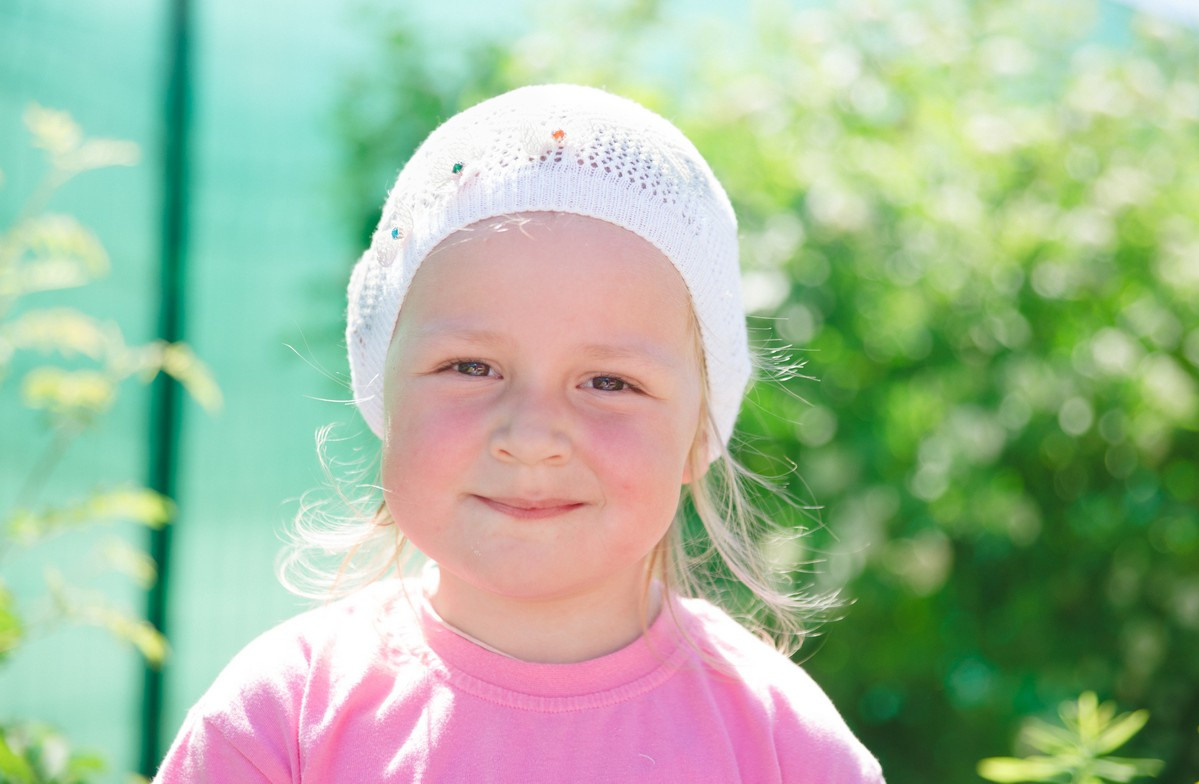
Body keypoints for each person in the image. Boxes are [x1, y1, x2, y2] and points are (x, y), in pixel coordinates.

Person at [154, 84, 885, 783]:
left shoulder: (786, 748)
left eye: (609, 383)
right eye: (471, 366)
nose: (532, 436)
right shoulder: (279, 721)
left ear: (699, 433)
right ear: (384, 389)